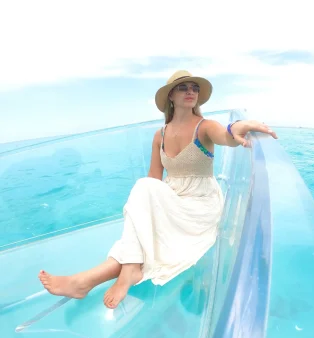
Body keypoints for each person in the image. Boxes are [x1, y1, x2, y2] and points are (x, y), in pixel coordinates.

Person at [38, 70, 278, 309]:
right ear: (170, 96)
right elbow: (154, 178)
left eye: (194, 88)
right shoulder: (159, 135)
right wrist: (153, 214)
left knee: (143, 204)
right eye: (184, 88)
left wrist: (239, 126)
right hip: (172, 199)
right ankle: (86, 281)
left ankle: (93, 278)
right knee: (142, 221)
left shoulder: (205, 127)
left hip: (200, 205)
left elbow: (226, 135)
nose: (191, 92)